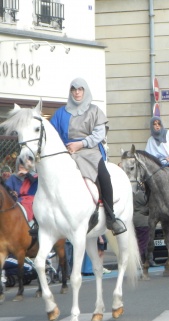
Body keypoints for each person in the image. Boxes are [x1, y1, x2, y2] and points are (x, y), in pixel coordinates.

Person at [50, 78, 126, 235]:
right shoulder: (60, 113)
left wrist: (81, 144)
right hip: (66, 153)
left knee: (104, 176)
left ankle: (111, 218)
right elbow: (51, 134)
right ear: (70, 92)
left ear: (85, 91)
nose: (77, 92)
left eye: (80, 89)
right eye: (74, 89)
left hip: (90, 152)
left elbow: (99, 134)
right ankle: (40, 220)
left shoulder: (95, 111)